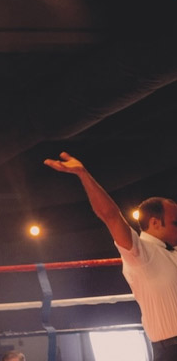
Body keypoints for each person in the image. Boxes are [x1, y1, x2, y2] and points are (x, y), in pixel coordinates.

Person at [44, 151, 177, 361]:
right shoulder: (139, 252)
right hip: (170, 349)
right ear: (154, 222)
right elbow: (110, 216)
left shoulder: (174, 252)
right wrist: (83, 174)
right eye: (175, 223)